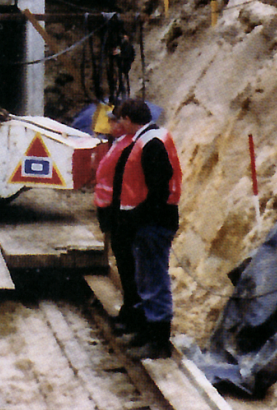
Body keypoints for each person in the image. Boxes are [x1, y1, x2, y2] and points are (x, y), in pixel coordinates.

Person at [112, 98, 182, 359]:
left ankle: (158, 340)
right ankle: (148, 329)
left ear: (129, 119)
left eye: (121, 119)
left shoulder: (150, 144)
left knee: (153, 279)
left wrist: (136, 218)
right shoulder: (152, 138)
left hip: (153, 223)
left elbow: (158, 190)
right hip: (151, 221)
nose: (118, 123)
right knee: (146, 278)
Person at [93, 110, 138, 334]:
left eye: (115, 120)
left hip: (119, 209)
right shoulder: (119, 143)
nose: (110, 124)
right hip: (112, 207)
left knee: (127, 262)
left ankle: (132, 314)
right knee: (123, 260)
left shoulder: (129, 146)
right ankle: (129, 311)